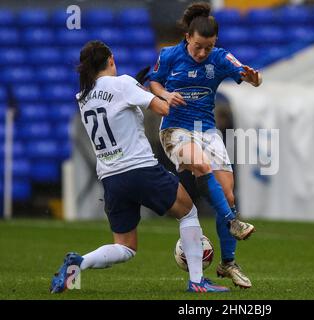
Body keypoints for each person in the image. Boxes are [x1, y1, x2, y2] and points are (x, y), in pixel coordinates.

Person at [49, 40, 230, 294]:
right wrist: (161, 92)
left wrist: (137, 89)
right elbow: (163, 108)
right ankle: (197, 282)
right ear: (111, 59)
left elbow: (112, 106)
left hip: (111, 178)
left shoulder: (83, 96)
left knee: (125, 247)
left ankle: (80, 263)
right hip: (140, 169)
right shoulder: (123, 83)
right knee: (188, 212)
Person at [146, 2, 262, 289]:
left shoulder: (220, 58)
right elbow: (153, 83)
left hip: (207, 130)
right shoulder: (170, 55)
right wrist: (166, 95)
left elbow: (248, 75)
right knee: (200, 164)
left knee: (228, 195)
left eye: (207, 47)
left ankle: (228, 263)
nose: (202, 53)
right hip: (175, 129)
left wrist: (254, 78)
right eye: (198, 46)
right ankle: (234, 223)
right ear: (188, 37)